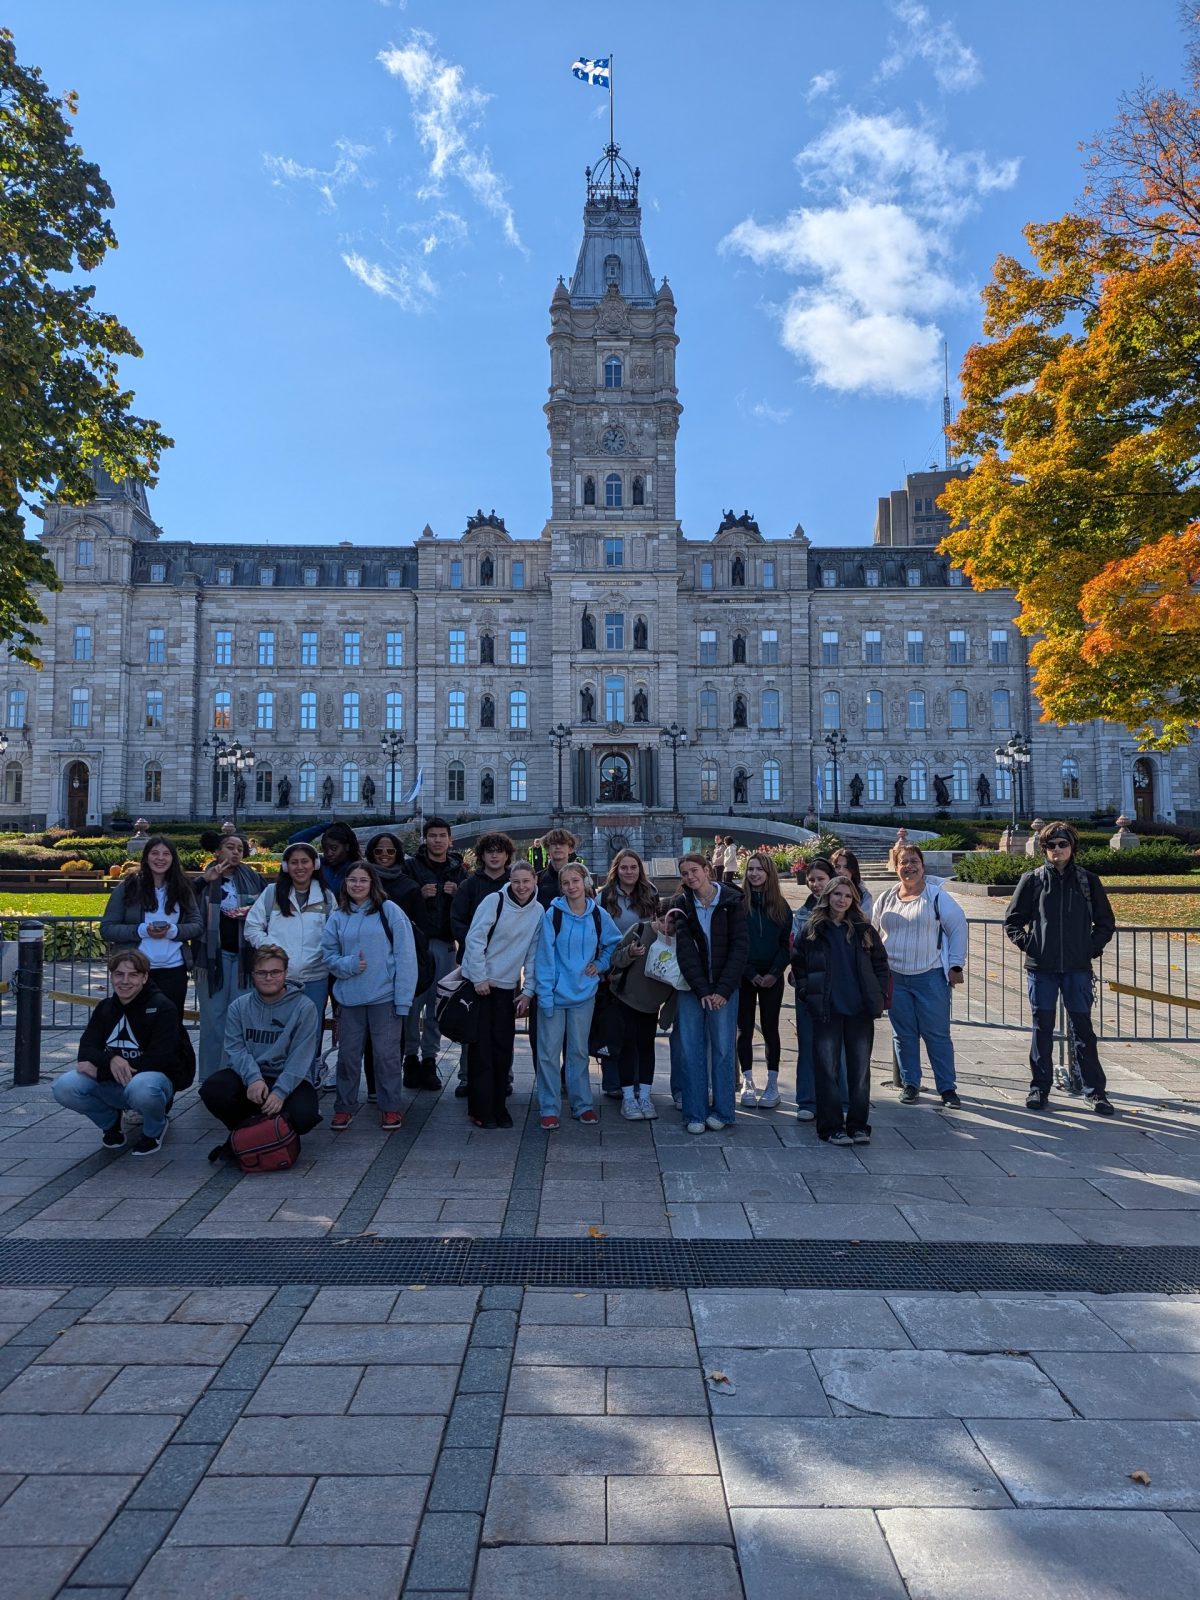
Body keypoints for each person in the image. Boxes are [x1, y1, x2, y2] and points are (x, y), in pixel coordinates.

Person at [1004, 821, 1117, 1115]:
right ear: (1044, 849)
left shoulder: (1087, 881)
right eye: (1051, 845)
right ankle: (1039, 1088)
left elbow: (1106, 923)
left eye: (1062, 844)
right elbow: (1013, 921)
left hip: (1077, 969)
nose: (1057, 850)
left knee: (1083, 1030)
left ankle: (1095, 1091)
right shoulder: (1033, 880)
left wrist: (1090, 948)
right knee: (1042, 1029)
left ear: (1072, 847)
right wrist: (1030, 945)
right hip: (1041, 968)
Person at [53, 951, 194, 1156]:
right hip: (117, 1081)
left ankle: (154, 1128)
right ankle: (110, 1123)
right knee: (64, 1086)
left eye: (133, 975)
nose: (125, 981)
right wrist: (111, 1059)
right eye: (119, 974)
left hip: (154, 1083)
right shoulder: (105, 1007)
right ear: (111, 977)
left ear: (145, 977)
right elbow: (86, 1050)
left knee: (142, 1087)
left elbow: (159, 1059)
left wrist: (102, 1071)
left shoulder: (163, 1008)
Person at [793, 877, 890, 1145]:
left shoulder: (863, 929)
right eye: (837, 894)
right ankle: (831, 1127)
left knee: (859, 1072)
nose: (842, 900)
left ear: (854, 901)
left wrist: (878, 994)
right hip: (826, 1010)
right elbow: (798, 965)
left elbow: (881, 964)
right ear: (828, 896)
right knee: (827, 1071)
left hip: (859, 1011)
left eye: (847, 896)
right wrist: (806, 992)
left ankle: (858, 1125)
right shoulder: (813, 929)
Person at [199, 944, 322, 1156]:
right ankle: (251, 1130)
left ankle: (264, 1126)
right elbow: (235, 1049)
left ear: (285, 973)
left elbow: (300, 1057)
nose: (268, 978)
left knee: (305, 1117)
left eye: (275, 972)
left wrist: (280, 1092)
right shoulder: (239, 1006)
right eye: (262, 973)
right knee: (213, 1089)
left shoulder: (305, 1007)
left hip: (288, 1077)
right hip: (251, 1076)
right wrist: (254, 1078)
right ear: (253, 975)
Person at [321, 863, 418, 1130]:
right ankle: (344, 1106)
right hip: (350, 998)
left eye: (363, 880)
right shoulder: (338, 915)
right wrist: (348, 965)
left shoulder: (389, 911)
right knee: (348, 1056)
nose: (357, 885)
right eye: (352, 880)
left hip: (384, 997)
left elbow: (405, 956)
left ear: (373, 883)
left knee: (386, 1056)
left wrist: (403, 999)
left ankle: (390, 1107)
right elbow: (328, 954)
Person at [872, 843, 967, 1107]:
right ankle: (910, 1083)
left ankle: (947, 1088)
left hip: (930, 975)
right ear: (896, 867)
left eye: (914, 862)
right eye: (903, 862)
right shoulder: (887, 897)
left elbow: (958, 927)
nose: (909, 867)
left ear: (923, 866)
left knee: (936, 1034)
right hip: (895, 977)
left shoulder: (936, 896)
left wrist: (956, 965)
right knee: (903, 1034)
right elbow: (873, 931)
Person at [531, 862, 621, 1130]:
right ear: (561, 887)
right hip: (554, 995)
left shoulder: (598, 915)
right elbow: (544, 959)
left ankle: (582, 1105)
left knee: (579, 1052)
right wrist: (545, 995)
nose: (571, 887)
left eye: (575, 881)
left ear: (586, 883)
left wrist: (601, 964)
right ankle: (549, 1107)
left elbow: (613, 942)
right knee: (548, 1054)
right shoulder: (552, 915)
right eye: (566, 883)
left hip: (584, 993)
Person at [669, 852, 748, 1135]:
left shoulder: (731, 901)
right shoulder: (681, 904)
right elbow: (685, 951)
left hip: (725, 988)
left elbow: (740, 947)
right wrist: (703, 989)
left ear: (706, 870)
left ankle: (724, 1110)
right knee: (691, 1050)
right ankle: (694, 1112)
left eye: (694, 871)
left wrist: (723, 990)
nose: (690, 877)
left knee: (724, 1049)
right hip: (694, 988)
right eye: (685, 874)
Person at [460, 862, 544, 1129]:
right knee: (481, 1051)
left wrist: (528, 990)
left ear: (535, 882)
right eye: (516, 881)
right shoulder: (493, 901)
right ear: (510, 881)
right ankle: (480, 1109)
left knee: (503, 1050)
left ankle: (499, 1106)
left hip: (508, 988)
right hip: (482, 986)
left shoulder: (538, 911)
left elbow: (533, 953)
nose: (521, 887)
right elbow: (475, 939)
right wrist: (479, 977)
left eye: (526, 882)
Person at [244, 843, 335, 1065]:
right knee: (276, 1026)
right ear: (285, 866)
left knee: (311, 1027)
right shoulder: (272, 893)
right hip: (278, 977)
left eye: (305, 861)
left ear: (315, 865)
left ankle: (309, 1071)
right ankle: (274, 1070)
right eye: (294, 862)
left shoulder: (326, 896)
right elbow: (252, 928)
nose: (299, 867)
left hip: (315, 977)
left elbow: (335, 934)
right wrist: (272, 952)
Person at [99, 834, 202, 1017]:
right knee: (136, 1025)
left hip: (174, 971)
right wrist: (142, 930)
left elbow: (196, 925)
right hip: (136, 972)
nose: (160, 858)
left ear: (173, 858)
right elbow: (107, 928)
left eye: (166, 854)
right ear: (146, 857)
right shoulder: (129, 887)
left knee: (170, 1027)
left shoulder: (182, 888)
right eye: (155, 853)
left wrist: (174, 931)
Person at [193, 833, 267, 1081]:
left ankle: (234, 1077)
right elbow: (183, 902)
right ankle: (209, 1077)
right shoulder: (205, 878)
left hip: (246, 961)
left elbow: (271, 907)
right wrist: (205, 880)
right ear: (217, 851)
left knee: (240, 1021)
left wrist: (253, 911)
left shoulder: (253, 878)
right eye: (230, 847)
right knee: (213, 1020)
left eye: (240, 849)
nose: (236, 852)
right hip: (213, 960)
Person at [404, 816, 467, 1089]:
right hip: (417, 946)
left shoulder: (459, 870)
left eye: (442, 835)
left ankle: (430, 1059)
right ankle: (410, 1058)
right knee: (411, 1005)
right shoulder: (411, 867)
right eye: (433, 835)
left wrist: (459, 892)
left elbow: (469, 909)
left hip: (445, 944)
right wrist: (418, 894)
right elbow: (399, 903)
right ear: (425, 839)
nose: (438, 840)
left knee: (437, 1005)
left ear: (450, 840)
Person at [364, 832, 428, 1094]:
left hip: (397, 966)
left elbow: (420, 929)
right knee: (368, 1032)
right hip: (366, 966)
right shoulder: (361, 882)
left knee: (394, 1030)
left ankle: (391, 1083)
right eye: (379, 852)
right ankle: (372, 1086)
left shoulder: (408, 886)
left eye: (390, 852)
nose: (384, 856)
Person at [596, 849, 661, 1096]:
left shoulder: (650, 892)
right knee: (614, 1028)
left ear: (639, 870)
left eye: (633, 867)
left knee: (639, 1030)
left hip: (643, 972)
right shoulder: (604, 897)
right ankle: (613, 1082)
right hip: (614, 969)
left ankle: (636, 1080)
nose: (629, 872)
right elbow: (598, 932)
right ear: (616, 870)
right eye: (624, 868)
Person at [609, 904, 677, 1121]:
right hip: (627, 999)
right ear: (655, 916)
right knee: (627, 1047)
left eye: (673, 922)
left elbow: (679, 982)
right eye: (663, 920)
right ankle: (628, 1097)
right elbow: (615, 958)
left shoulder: (679, 941)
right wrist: (630, 952)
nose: (667, 926)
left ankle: (645, 1095)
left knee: (647, 1049)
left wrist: (667, 1015)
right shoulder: (640, 929)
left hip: (652, 1005)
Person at [736, 853, 791, 1108]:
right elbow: (735, 942)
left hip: (772, 974)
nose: (754, 874)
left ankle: (772, 1082)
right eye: (750, 869)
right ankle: (747, 1080)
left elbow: (785, 944)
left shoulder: (781, 905)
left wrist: (775, 972)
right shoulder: (738, 904)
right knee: (744, 1028)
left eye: (759, 869)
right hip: (745, 975)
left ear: (769, 874)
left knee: (770, 1028)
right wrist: (749, 972)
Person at [788, 857, 835, 1123]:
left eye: (820, 879)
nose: (816, 884)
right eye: (812, 879)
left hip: (838, 988)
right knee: (808, 1043)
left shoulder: (843, 907)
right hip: (808, 987)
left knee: (835, 1044)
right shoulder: (802, 912)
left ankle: (838, 1099)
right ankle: (807, 1099)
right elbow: (795, 950)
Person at [290, 820, 363, 899]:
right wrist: (327, 826)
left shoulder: (358, 868)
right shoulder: (318, 865)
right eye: (325, 849)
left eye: (334, 849)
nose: (329, 853)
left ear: (347, 847)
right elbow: (294, 842)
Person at [831, 848, 873, 920]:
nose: (841, 871)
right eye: (837, 867)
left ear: (853, 869)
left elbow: (865, 921)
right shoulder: (825, 892)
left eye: (846, 867)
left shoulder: (864, 895)